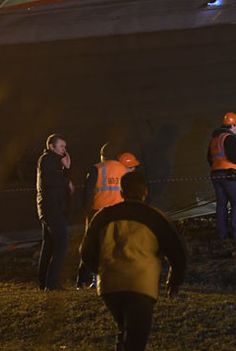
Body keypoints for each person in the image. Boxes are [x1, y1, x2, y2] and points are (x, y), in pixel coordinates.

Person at [80, 171, 186, 351]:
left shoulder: (104, 216)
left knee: (123, 330)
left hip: (109, 285)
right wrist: (174, 281)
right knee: (137, 336)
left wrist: (100, 270)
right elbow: (177, 251)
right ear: (145, 191)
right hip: (140, 284)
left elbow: (86, 250)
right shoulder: (155, 217)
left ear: (121, 192)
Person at [76, 147, 141, 288]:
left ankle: (84, 281)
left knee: (91, 246)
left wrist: (86, 210)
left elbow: (88, 192)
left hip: (98, 211)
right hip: (119, 211)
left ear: (102, 156)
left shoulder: (96, 169)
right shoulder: (125, 170)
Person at [36, 133, 73, 290]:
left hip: (50, 207)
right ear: (51, 146)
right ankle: (52, 283)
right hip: (52, 208)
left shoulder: (53, 160)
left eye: (65, 147)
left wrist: (66, 169)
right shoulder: (48, 159)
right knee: (62, 242)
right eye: (61, 146)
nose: (64, 150)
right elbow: (50, 181)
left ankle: (44, 282)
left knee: (49, 244)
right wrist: (66, 179)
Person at [207, 112, 236, 239]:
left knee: (222, 204)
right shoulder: (229, 138)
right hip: (230, 175)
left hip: (216, 175)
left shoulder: (214, 139)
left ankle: (221, 233)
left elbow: (209, 158)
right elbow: (234, 156)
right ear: (233, 125)